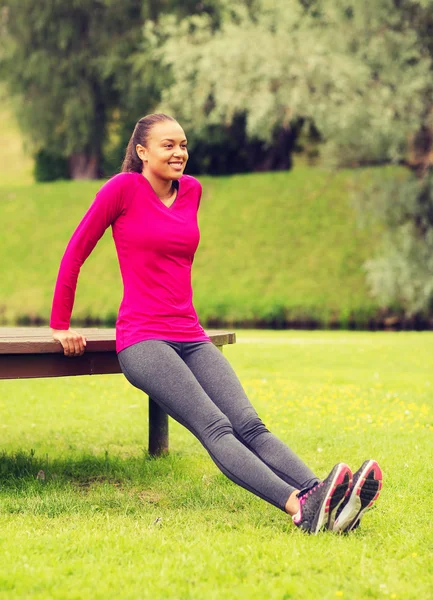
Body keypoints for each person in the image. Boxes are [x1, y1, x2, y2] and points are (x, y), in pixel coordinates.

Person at [50, 113, 382, 534]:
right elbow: (76, 250)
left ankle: (325, 498)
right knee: (216, 427)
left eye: (183, 144)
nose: (179, 153)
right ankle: (300, 507)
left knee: (250, 425)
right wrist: (60, 324)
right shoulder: (122, 190)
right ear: (141, 152)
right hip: (144, 339)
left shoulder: (191, 191)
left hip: (190, 333)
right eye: (168, 145)